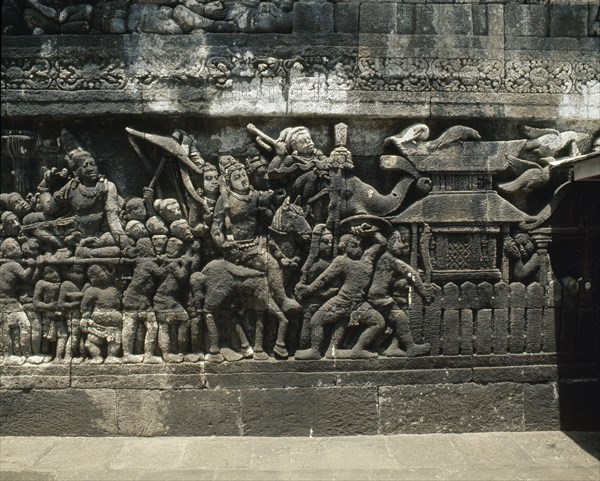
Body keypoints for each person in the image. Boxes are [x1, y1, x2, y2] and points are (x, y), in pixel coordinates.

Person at [211, 155, 300, 315]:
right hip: (236, 248)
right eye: (237, 177)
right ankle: (282, 299)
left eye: (244, 174)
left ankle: (281, 298)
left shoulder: (256, 196)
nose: (243, 179)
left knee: (277, 261)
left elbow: (268, 218)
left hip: (256, 243)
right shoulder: (225, 200)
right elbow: (216, 228)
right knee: (271, 264)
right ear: (229, 181)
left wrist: (273, 200)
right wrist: (223, 243)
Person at [294, 224, 386, 360]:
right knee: (315, 321)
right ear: (344, 247)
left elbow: (382, 242)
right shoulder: (341, 261)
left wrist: (367, 230)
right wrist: (308, 290)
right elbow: (323, 279)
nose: (359, 249)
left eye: (360, 245)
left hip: (359, 304)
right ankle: (316, 350)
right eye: (354, 245)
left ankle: (358, 349)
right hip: (341, 301)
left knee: (379, 323)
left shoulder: (367, 258)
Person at [49, 129, 127, 252]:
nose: (90, 168)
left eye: (93, 164)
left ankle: (90, 246)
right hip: (74, 234)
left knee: (122, 243)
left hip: (102, 234)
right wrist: (46, 187)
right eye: (85, 166)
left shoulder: (106, 186)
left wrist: (124, 244)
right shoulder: (72, 187)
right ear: (77, 171)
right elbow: (50, 209)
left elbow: (113, 217)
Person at [368, 228, 432, 357]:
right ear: (391, 244)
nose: (403, 245)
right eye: (400, 241)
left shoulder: (387, 258)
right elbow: (411, 273)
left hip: (380, 296)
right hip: (379, 297)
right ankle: (410, 347)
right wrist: (424, 292)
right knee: (400, 319)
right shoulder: (389, 259)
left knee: (396, 322)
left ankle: (393, 347)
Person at [0, 239, 37, 364]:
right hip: (9, 302)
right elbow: (26, 277)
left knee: (7, 329)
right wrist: (32, 266)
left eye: (17, 245)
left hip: (8, 301)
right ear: (7, 252)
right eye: (14, 247)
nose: (18, 248)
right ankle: (13, 356)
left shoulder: (6, 264)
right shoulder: (13, 265)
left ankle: (12, 355)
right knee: (24, 325)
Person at [80, 265, 122, 364]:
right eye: (97, 274)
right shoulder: (91, 290)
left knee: (115, 341)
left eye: (103, 272)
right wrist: (85, 318)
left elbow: (120, 302)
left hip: (113, 322)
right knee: (91, 341)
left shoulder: (114, 288)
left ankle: (112, 356)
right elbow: (84, 306)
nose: (102, 275)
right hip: (97, 320)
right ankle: (97, 357)